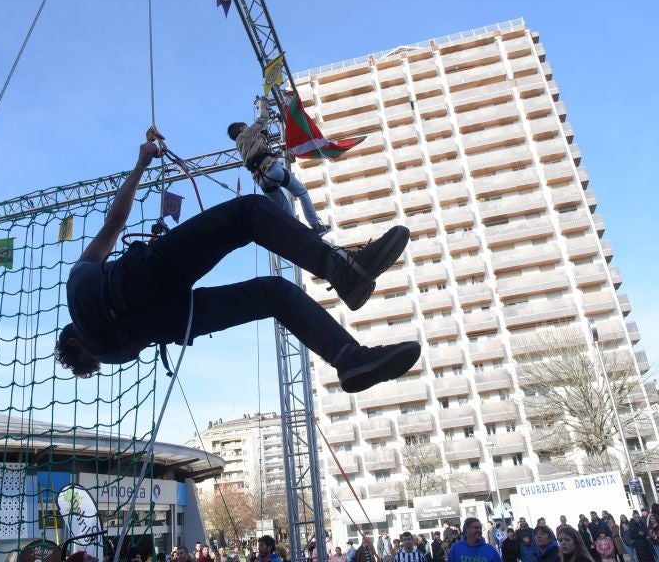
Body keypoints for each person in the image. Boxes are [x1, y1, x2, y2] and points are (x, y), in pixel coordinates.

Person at [56, 142, 421, 393]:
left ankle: (348, 358)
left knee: (272, 295)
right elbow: (115, 222)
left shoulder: (111, 354)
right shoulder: (77, 284)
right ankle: (338, 268)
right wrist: (140, 165)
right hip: (144, 277)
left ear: (79, 347)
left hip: (169, 320)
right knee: (247, 214)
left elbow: (135, 337)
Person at [228, 96, 330, 235]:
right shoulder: (244, 134)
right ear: (241, 128)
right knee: (301, 192)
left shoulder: (241, 146)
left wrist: (264, 139)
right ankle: (315, 225)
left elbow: (258, 153)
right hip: (272, 171)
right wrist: (263, 106)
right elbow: (262, 120)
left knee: (287, 213)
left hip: (262, 180)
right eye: (245, 126)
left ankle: (299, 235)